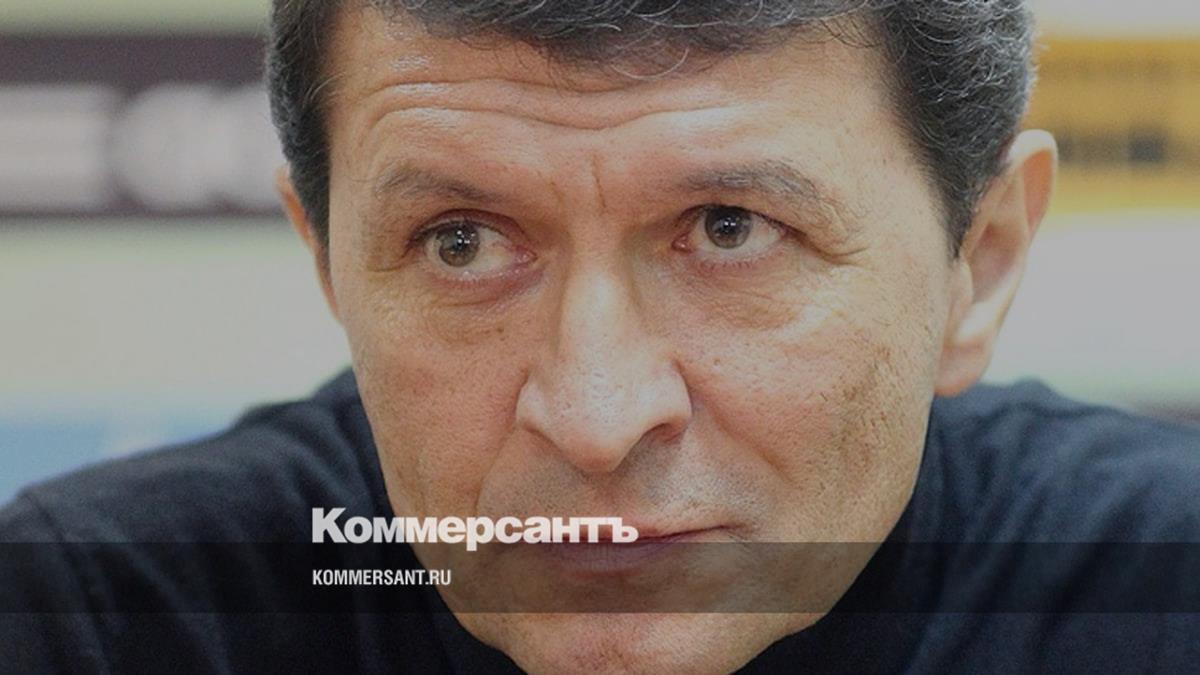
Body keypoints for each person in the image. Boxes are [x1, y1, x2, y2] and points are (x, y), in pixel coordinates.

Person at [2, 1, 1198, 673]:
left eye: (729, 229)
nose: (594, 417)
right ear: (328, 264)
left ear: (979, 264)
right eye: (462, 242)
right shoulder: (104, 623)